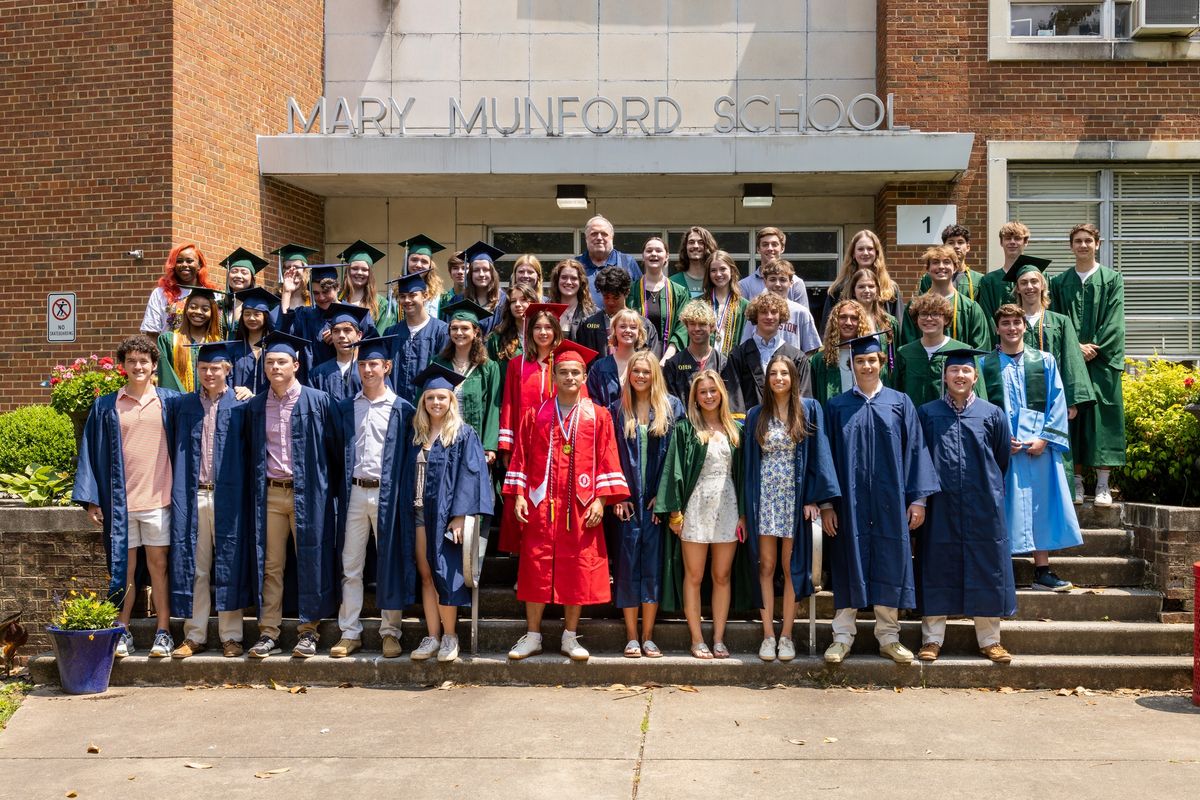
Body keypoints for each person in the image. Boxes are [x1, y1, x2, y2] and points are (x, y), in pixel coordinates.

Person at [504, 340, 629, 662]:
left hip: (581, 504)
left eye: (575, 372)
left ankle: (570, 637)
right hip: (541, 502)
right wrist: (518, 495)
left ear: (585, 377)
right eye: (563, 372)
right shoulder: (536, 414)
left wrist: (601, 500)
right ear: (554, 377)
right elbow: (521, 456)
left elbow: (607, 458)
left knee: (577, 569)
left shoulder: (598, 416)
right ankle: (532, 636)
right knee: (535, 567)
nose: (570, 377)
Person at [821, 334, 939, 665]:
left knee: (890, 563)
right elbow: (826, 457)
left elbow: (916, 450)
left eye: (872, 360)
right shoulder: (837, 407)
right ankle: (842, 637)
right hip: (850, 505)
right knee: (849, 563)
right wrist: (828, 503)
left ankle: (888, 637)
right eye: (860, 361)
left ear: (882, 363)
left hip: (891, 503)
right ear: (851, 365)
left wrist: (919, 500)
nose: (867, 365)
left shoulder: (900, 403)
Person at [73, 335, 179, 658]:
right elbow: (89, 453)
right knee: (124, 570)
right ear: (123, 366)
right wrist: (92, 499)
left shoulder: (170, 401)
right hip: (121, 505)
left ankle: (163, 631)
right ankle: (122, 631)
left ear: (154, 365)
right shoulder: (107, 405)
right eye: (131, 360)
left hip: (158, 500)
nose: (138, 366)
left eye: (144, 361)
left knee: (159, 567)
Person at [244, 330, 339, 659]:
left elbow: (334, 450)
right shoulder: (257, 405)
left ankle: (308, 631)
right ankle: (268, 631)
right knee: (271, 565)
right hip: (271, 494)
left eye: (282, 362)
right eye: (270, 362)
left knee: (310, 559)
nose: (275, 368)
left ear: (296, 365)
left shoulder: (317, 401)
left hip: (308, 494)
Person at [915, 349, 1015, 663]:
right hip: (940, 503)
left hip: (983, 503)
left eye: (966, 371)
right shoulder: (928, 413)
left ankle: (990, 640)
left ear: (975, 376)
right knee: (936, 565)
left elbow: (1001, 459)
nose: (960, 376)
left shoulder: (992, 413)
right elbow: (918, 459)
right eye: (954, 370)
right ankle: (932, 640)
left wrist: (987, 490)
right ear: (945, 376)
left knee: (987, 566)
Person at [741, 355, 840, 662]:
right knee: (766, 567)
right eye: (774, 373)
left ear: (794, 377)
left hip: (795, 501)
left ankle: (787, 635)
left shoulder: (809, 409)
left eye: (785, 373)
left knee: (790, 568)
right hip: (766, 498)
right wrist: (747, 510)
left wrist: (814, 499)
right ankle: (768, 635)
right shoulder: (756, 414)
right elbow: (747, 466)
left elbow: (818, 456)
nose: (779, 378)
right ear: (767, 379)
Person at [984, 305, 1083, 591]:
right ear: (998, 328)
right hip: (1003, 452)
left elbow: (1058, 401)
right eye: (1006, 323)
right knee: (1002, 508)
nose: (1012, 328)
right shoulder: (986, 365)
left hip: (1038, 448)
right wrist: (999, 440)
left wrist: (1044, 439)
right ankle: (1000, 573)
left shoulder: (1045, 360)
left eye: (1017, 322)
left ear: (1024, 327)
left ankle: (1043, 571)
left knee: (1040, 506)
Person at [328, 335, 413, 659]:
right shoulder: (346, 408)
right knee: (351, 565)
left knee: (389, 562)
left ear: (387, 366)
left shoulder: (402, 410)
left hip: (387, 496)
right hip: (353, 493)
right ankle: (350, 633)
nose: (367, 369)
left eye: (373, 363)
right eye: (362, 363)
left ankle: (390, 631)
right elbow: (336, 451)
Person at [406, 363, 495, 663]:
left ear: (451, 400)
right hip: (418, 512)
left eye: (441, 397)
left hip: (445, 517)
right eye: (430, 398)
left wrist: (460, 515)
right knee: (426, 573)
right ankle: (432, 636)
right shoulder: (416, 433)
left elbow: (472, 474)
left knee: (445, 574)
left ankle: (450, 636)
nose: (436, 403)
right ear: (424, 402)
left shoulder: (462, 434)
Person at [168, 341, 251, 659]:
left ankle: (231, 636)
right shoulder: (184, 406)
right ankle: (195, 635)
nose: (209, 373)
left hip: (229, 497)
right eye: (203, 368)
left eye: (216, 368)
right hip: (194, 495)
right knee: (197, 567)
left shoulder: (242, 404)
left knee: (229, 564)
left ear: (228, 369)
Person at [655, 369, 746, 659]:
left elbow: (743, 476)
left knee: (722, 575)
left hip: (728, 506)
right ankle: (697, 639)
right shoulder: (685, 429)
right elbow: (675, 470)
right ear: (694, 397)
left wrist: (744, 514)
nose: (708, 396)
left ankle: (718, 638)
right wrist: (675, 512)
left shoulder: (735, 430)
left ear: (722, 393)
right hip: (695, 506)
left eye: (713, 390)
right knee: (694, 575)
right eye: (702, 392)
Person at [608, 352, 683, 659]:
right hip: (626, 504)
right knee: (627, 567)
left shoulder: (671, 408)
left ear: (655, 375)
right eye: (635, 371)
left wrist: (663, 496)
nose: (640, 376)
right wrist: (618, 495)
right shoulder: (617, 409)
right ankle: (630, 636)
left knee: (652, 567)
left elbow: (676, 456)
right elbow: (609, 456)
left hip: (655, 503)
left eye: (646, 371)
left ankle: (649, 636)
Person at [1049, 223, 1126, 507]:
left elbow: (1115, 320)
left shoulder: (1111, 278)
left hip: (1102, 361)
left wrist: (1094, 347)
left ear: (1098, 244)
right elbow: (1055, 319)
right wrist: (1073, 347)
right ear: (1071, 246)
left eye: (1088, 241)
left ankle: (1103, 485)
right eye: (1078, 241)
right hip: (1071, 359)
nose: (1083, 246)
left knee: (1104, 419)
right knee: (1074, 418)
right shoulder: (1058, 282)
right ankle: (1078, 484)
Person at [496, 303, 567, 552]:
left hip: (558, 445)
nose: (543, 332)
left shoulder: (565, 366)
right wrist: (506, 446)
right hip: (525, 447)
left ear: (556, 331)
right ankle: (523, 564)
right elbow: (508, 405)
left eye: (548, 327)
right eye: (537, 327)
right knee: (523, 502)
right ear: (530, 332)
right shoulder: (518, 365)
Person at [1009, 255, 1095, 437]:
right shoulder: (1010, 322)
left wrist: (1071, 401)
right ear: (1017, 288)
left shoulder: (1060, 322)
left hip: (1052, 399)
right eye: (1023, 283)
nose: (1029, 287)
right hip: (1017, 397)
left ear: (1043, 285)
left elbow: (1071, 361)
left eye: (1034, 281)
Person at [432, 299, 503, 464]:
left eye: (465, 328)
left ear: (476, 331)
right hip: (442, 439)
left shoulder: (488, 367)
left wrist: (489, 446)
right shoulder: (438, 363)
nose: (459, 333)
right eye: (454, 328)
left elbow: (493, 408)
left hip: (474, 442)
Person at [893, 293, 987, 409]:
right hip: (911, 421)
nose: (928, 318)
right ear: (916, 319)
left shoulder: (963, 351)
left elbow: (978, 392)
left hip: (949, 421)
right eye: (923, 314)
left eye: (935, 314)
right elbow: (895, 392)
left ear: (946, 319)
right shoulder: (905, 353)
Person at [730, 292, 813, 407]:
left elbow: (804, 399)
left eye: (774, 312)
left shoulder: (797, 358)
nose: (769, 317)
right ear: (755, 316)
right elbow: (734, 399)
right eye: (763, 312)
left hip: (787, 422)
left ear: (781, 316)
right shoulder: (738, 356)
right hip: (751, 422)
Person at [661, 300, 744, 415]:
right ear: (686, 326)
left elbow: (733, 404)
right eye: (692, 324)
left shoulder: (724, 363)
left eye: (702, 324)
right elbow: (671, 405)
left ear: (712, 327)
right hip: (684, 428)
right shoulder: (673, 365)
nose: (697, 328)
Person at [898, 245, 990, 349]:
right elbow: (908, 346)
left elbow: (981, 350)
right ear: (927, 269)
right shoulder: (915, 306)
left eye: (946, 262)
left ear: (955, 268)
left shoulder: (971, 307)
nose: (941, 266)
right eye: (936, 262)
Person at [383, 270, 450, 404]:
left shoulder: (441, 331)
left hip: (428, 407)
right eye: (402, 296)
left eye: (413, 295)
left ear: (425, 296)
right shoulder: (391, 333)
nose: (407, 300)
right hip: (395, 406)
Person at [821, 230, 903, 329]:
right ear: (853, 254)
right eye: (860, 249)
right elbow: (827, 329)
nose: (865, 253)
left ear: (877, 253)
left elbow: (899, 327)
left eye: (870, 249)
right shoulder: (838, 290)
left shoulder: (890, 288)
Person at [627, 236, 688, 358]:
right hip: (637, 358)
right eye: (649, 251)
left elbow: (682, 328)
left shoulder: (679, 293)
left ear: (666, 256)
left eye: (659, 251)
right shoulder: (630, 291)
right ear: (643, 256)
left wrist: (667, 358)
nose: (653, 254)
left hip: (670, 359)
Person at [576, 266, 658, 356]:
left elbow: (650, 361)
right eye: (606, 297)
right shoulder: (588, 324)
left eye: (616, 297)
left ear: (627, 293)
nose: (610, 302)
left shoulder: (644, 325)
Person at [156, 286, 224, 392]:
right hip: (179, 404)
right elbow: (167, 379)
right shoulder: (169, 340)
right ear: (186, 309)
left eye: (205, 309)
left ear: (212, 313)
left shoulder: (218, 344)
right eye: (193, 307)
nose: (198, 312)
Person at [280, 261, 344, 367]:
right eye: (316, 293)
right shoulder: (305, 315)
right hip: (309, 379)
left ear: (337, 288)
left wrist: (342, 337)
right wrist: (287, 292)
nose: (321, 298)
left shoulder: (354, 315)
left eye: (326, 292)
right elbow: (285, 335)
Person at [749, 258, 821, 353]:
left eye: (783, 280)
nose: (778, 284)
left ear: (791, 283)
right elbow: (746, 344)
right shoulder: (755, 309)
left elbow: (811, 350)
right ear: (765, 282)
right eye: (772, 279)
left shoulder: (801, 312)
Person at [810, 299, 873, 406]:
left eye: (854, 318)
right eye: (843, 317)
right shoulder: (819, 360)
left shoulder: (870, 359)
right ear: (835, 321)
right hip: (831, 420)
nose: (848, 322)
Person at [141, 242, 214, 335]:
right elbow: (152, 332)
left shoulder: (211, 294)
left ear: (199, 265)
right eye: (179, 261)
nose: (184, 264)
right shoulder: (160, 293)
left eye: (189, 261)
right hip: (168, 348)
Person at [307, 302, 369, 402]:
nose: (341, 335)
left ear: (359, 335)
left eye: (347, 330)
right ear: (331, 335)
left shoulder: (370, 371)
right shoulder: (318, 374)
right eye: (336, 331)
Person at [338, 236, 399, 336]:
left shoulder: (381, 304)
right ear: (347, 271)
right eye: (355, 268)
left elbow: (380, 337)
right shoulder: (337, 299)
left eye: (364, 269)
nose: (359, 272)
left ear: (370, 273)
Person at [586, 308, 645, 410]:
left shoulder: (646, 365)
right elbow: (592, 401)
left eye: (633, 327)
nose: (628, 330)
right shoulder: (599, 367)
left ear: (639, 332)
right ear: (614, 331)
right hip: (606, 422)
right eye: (622, 326)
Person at [231, 287, 283, 399]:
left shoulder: (273, 347)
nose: (251, 318)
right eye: (247, 314)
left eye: (257, 314)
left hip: (268, 408)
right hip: (238, 406)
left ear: (265, 316)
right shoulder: (233, 348)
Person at [577, 214, 642, 306]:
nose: (599, 238)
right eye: (594, 234)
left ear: (612, 237)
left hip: (620, 319)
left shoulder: (627, 262)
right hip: (583, 320)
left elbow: (640, 298)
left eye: (604, 234)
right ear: (586, 238)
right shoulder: (576, 265)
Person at [976, 221, 1030, 328]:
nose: (1012, 242)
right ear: (1001, 242)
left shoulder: (1037, 277)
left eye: (1017, 238)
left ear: (1026, 242)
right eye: (1008, 238)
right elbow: (987, 318)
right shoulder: (989, 281)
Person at [739, 226, 809, 305]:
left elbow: (802, 315)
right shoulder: (744, 285)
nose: (770, 248)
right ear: (758, 249)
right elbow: (743, 316)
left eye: (774, 244)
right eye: (765, 244)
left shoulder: (796, 283)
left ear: (782, 248)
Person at [914, 224, 980, 301]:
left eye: (960, 242)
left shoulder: (978, 280)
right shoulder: (929, 277)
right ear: (944, 246)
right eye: (951, 243)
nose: (956, 246)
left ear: (968, 247)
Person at [706, 250, 749, 355]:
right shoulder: (699, 303)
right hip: (704, 364)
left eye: (723, 269)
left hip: (733, 364)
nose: (718, 274)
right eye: (713, 270)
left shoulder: (744, 305)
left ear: (732, 271)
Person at [398, 234, 447, 324]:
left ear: (430, 265)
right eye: (414, 259)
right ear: (407, 262)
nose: (418, 265)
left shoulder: (441, 297)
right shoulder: (395, 295)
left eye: (424, 261)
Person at [486, 283, 539, 366]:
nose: (517, 304)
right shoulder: (497, 338)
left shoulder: (543, 335)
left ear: (534, 302)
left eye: (523, 299)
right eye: (513, 301)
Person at [461, 240, 507, 335]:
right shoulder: (459, 300)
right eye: (476, 270)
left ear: (492, 273)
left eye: (485, 270)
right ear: (470, 274)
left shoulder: (504, 301)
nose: (481, 274)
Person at [218, 247, 268, 334]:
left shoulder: (260, 306)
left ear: (252, 279)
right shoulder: (220, 306)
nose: (238, 275)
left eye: (244, 273)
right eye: (234, 271)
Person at [548, 258, 596, 342]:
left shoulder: (593, 314)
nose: (568, 282)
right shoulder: (546, 311)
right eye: (564, 277)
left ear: (581, 282)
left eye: (574, 278)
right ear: (557, 280)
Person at [270, 242, 320, 311]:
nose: (292, 270)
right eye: (288, 267)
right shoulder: (274, 301)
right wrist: (286, 293)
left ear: (305, 270)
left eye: (296, 267)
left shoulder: (313, 299)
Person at [671, 225, 718, 299]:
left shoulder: (718, 280)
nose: (696, 246)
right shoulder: (672, 282)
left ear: (709, 246)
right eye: (691, 242)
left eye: (701, 242)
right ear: (685, 247)